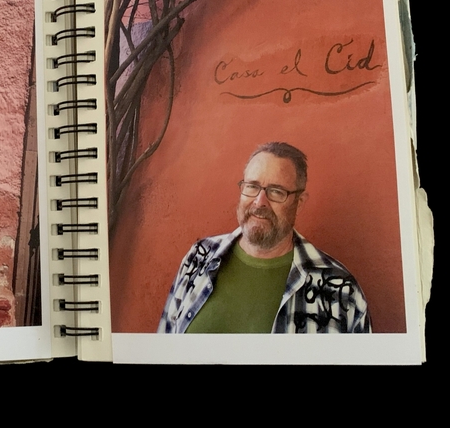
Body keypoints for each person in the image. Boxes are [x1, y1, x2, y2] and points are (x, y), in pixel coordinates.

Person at [158, 142, 370, 334]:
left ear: (300, 202)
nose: (260, 202)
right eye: (252, 186)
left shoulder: (339, 290)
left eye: (276, 191)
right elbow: (163, 349)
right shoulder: (199, 257)